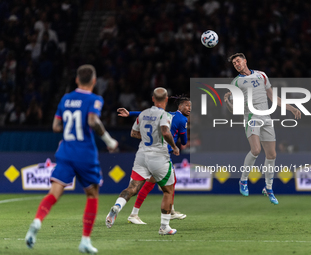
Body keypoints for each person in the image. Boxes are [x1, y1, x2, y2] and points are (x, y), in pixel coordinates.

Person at [25, 65, 118, 254]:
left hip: (66, 153)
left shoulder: (65, 99)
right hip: (85, 155)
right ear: (93, 81)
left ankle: (37, 221)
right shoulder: (94, 99)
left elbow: (56, 126)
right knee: (92, 195)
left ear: (76, 80)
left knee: (54, 194)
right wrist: (109, 141)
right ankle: (85, 240)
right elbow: (93, 121)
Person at [224, 53, 301, 205]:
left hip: (266, 117)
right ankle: (243, 180)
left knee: (272, 154)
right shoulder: (236, 82)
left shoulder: (262, 75)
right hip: (251, 117)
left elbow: (273, 97)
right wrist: (227, 101)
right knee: (256, 150)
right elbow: (234, 110)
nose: (236, 64)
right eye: (234, 63)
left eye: (238, 61)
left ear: (245, 61)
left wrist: (291, 108)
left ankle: (269, 188)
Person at [105, 87, 180, 235]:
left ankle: (117, 207)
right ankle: (164, 227)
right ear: (166, 99)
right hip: (159, 157)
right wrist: (174, 146)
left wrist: (146, 138)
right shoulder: (164, 115)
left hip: (141, 156)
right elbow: (165, 132)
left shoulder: (143, 114)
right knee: (168, 191)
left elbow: (133, 133)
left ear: (152, 99)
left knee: (132, 188)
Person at [117, 95, 191, 224]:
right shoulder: (182, 119)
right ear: (180, 106)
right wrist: (181, 133)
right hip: (161, 155)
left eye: (190, 106)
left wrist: (130, 114)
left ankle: (171, 211)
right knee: (151, 185)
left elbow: (145, 114)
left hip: (153, 152)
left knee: (169, 182)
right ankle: (134, 214)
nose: (189, 108)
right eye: (186, 105)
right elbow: (184, 142)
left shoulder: (167, 114)